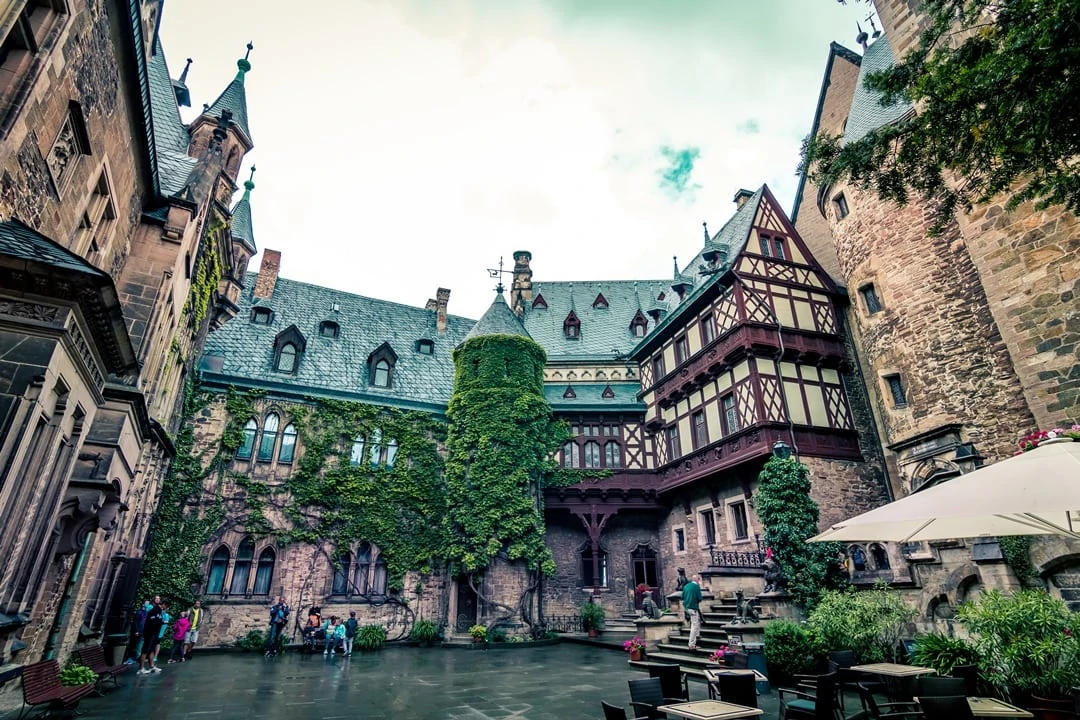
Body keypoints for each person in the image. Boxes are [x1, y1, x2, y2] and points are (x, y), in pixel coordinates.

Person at [138, 596, 164, 675]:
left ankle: (152, 666)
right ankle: (141, 668)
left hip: (154, 634)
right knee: (145, 650)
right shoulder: (153, 610)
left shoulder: (159, 611)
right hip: (150, 633)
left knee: (152, 649)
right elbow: (151, 622)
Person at [125, 598, 152, 664]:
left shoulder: (146, 612)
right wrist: (136, 631)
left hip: (143, 630)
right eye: (146, 603)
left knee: (140, 644)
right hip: (138, 630)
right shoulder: (139, 612)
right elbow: (135, 622)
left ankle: (138, 657)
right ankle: (132, 657)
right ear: (143, 604)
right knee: (134, 644)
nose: (147, 605)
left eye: (148, 603)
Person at [682, 574, 703, 651]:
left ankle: (697, 635)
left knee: (697, 621)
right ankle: (691, 644)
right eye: (699, 580)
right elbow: (700, 598)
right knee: (694, 625)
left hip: (686, 607)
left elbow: (682, 597)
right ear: (697, 580)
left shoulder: (686, 586)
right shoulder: (696, 587)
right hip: (693, 607)